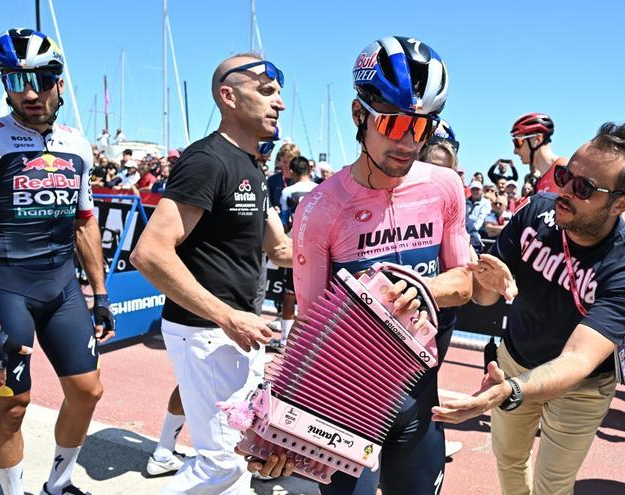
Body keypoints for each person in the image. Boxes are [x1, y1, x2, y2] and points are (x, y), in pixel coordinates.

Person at [289, 35, 471, 495]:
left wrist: (421, 289)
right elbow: (310, 325)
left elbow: (464, 283)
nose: (409, 142)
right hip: (346, 408)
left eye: (422, 126)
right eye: (393, 124)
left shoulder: (444, 186)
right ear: (358, 116)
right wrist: (284, 420)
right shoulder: (319, 208)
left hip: (418, 403)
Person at [432, 122, 625, 495]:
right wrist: (488, 287)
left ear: (621, 204)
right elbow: (484, 298)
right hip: (514, 360)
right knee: (509, 462)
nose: (564, 190)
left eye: (584, 188)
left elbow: (577, 360)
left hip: (582, 387)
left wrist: (510, 391)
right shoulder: (536, 212)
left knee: (553, 486)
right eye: (567, 176)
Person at [0, 28, 115, 495]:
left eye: (41, 79)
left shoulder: (78, 144)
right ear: (3, 84)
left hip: (62, 286)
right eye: (15, 80)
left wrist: (101, 293)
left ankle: (58, 484)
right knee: (11, 405)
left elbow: (86, 224)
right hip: (8, 289)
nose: (29, 92)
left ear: (60, 83)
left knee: (88, 392)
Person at [130, 52, 294, 494]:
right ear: (228, 96)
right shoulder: (208, 159)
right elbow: (150, 253)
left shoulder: (253, 168)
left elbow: (279, 249)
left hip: (237, 331)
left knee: (236, 456)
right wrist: (227, 316)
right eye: (266, 91)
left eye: (280, 93)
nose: (279, 102)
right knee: (222, 464)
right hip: (206, 332)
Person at [269, 155, 317, 350]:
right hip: (318, 249)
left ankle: (285, 341)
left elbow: (285, 220)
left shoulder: (288, 191)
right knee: (315, 298)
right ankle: (312, 343)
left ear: (293, 173)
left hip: (294, 248)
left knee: (289, 296)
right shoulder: (320, 189)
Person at [511, 112, 567, 194]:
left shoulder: (566, 170)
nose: (515, 151)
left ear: (537, 139)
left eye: (517, 142)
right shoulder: (537, 183)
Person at [466, 181, 491, 252]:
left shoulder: (486, 202)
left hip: (478, 232)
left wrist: (470, 232)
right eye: (473, 189)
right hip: (466, 232)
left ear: (482, 190)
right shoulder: (465, 201)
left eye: (477, 189)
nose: (475, 191)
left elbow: (481, 218)